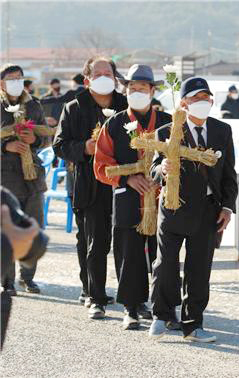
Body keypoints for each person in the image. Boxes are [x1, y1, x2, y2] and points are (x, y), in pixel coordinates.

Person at [148, 77, 237, 341]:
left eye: (206, 98)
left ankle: (193, 323)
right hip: (174, 205)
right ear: (184, 103)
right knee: (165, 264)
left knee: (199, 268)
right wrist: (161, 169)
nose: (202, 103)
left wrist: (228, 207)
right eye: (196, 98)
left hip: (208, 209)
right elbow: (153, 168)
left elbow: (228, 172)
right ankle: (161, 315)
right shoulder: (167, 131)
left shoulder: (221, 130)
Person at [93, 64, 172, 329]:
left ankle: (162, 306)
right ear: (125, 91)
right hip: (128, 195)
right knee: (129, 253)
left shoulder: (167, 122)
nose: (137, 92)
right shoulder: (114, 124)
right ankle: (131, 307)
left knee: (164, 254)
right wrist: (128, 178)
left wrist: (159, 176)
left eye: (142, 88)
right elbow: (101, 165)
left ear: (152, 91)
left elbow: (179, 158)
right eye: (132, 88)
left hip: (160, 196)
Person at [53, 56, 128, 319]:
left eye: (109, 73)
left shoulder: (125, 105)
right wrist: (84, 147)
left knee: (125, 241)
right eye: (98, 74)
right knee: (93, 241)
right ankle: (94, 294)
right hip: (88, 183)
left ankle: (131, 296)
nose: (104, 77)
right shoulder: (74, 107)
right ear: (87, 80)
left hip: (122, 182)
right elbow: (59, 145)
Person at [0, 63, 48, 296]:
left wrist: (34, 141)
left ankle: (27, 277)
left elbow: (47, 139)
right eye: (11, 78)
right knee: (7, 229)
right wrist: (5, 145)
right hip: (5, 177)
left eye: (19, 78)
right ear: (1, 83)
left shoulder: (34, 105)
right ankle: (7, 280)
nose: (16, 82)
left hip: (32, 178)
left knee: (33, 226)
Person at [1, 186, 46, 350]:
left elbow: (36, 246)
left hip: (32, 185)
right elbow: (36, 246)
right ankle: (9, 281)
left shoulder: (3, 199)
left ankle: (24, 279)